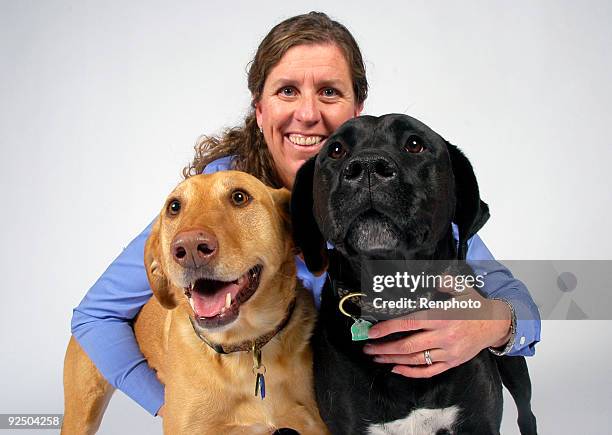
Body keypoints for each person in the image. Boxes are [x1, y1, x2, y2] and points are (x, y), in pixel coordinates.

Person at [71, 11, 541, 417]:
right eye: (287, 91)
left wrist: (494, 323)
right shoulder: (211, 202)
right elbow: (93, 317)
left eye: (330, 92)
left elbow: (546, 294)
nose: (308, 114)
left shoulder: (400, 197)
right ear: (259, 109)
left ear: (358, 108)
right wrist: (172, 405)